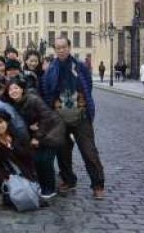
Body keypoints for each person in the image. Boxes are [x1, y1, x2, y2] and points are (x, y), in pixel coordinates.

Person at [42, 36, 105, 200]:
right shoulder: (51, 69)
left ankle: (98, 184)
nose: (61, 50)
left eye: (64, 47)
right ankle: (69, 180)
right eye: (58, 47)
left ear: (69, 48)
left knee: (89, 150)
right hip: (60, 117)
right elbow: (48, 90)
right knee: (62, 150)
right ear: (54, 50)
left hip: (81, 116)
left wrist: (83, 104)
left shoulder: (80, 66)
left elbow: (87, 86)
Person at [5, 78, 65, 199]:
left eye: (16, 88)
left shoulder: (33, 99)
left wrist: (37, 136)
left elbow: (46, 117)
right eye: (10, 89)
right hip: (40, 132)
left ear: (22, 89)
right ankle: (43, 187)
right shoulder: (15, 104)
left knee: (45, 160)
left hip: (52, 131)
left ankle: (50, 188)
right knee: (38, 160)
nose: (13, 91)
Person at [0, 110, 38, 207]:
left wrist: (11, 146)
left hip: (22, 170)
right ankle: (1, 194)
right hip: (3, 173)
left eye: (1, 122)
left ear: (7, 123)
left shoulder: (18, 136)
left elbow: (28, 156)